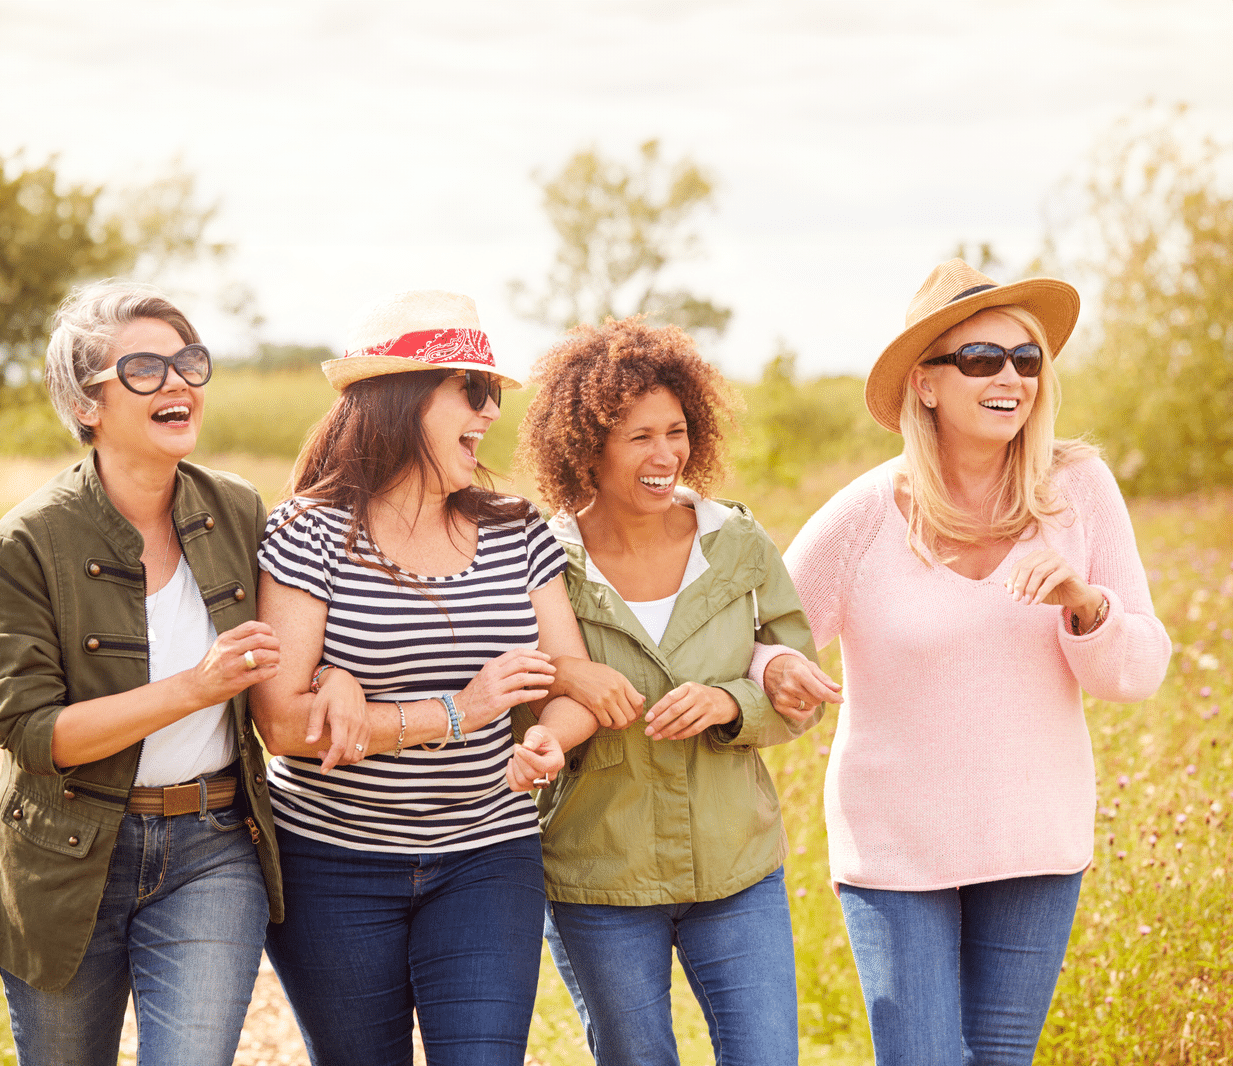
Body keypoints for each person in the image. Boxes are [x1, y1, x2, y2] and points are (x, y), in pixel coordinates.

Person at [758, 259, 1172, 1065]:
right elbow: (762, 632)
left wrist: (1086, 606)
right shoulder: (864, 514)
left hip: (1035, 838)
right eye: (981, 359)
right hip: (896, 848)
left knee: (999, 1057)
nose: (1011, 376)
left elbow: (1140, 671)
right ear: (926, 385)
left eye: (1026, 359)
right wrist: (776, 667)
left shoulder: (1078, 491)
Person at [250, 290, 593, 1066]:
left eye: (493, 392)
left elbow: (565, 684)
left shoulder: (518, 528)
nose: (492, 413)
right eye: (472, 390)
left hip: (487, 853)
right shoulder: (308, 532)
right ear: (403, 400)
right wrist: (458, 712)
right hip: (330, 864)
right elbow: (282, 725)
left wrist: (549, 739)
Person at [0, 281, 284, 1066]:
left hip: (213, 847)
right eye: (145, 369)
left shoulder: (241, 510)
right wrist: (194, 687)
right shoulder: (23, 544)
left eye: (187, 361)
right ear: (88, 405)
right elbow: (32, 735)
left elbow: (310, 643)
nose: (178, 381)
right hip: (66, 853)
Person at [513, 317, 823, 1066]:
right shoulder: (541, 560)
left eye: (676, 431)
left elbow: (796, 684)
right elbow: (520, 696)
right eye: (638, 437)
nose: (666, 456)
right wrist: (554, 704)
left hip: (736, 868)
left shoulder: (738, 544)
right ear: (587, 446)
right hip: (600, 875)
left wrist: (732, 704)